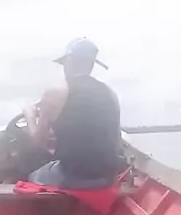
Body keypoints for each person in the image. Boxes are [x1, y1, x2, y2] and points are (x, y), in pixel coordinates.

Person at [23, 38, 123, 190]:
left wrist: (30, 115)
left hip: (73, 177)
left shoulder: (55, 92)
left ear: (69, 61)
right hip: (108, 178)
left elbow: (37, 143)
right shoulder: (110, 93)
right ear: (91, 65)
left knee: (33, 175)